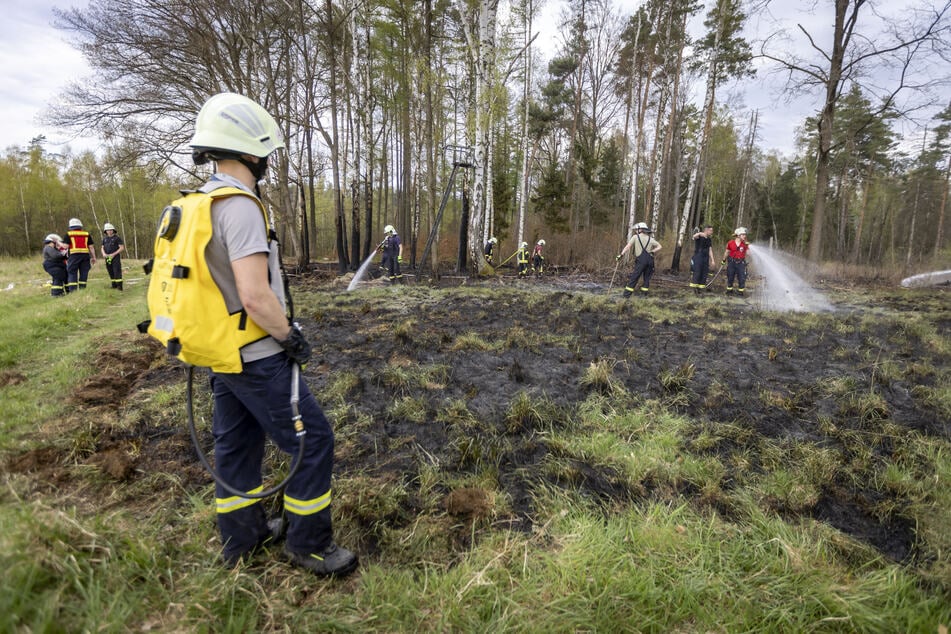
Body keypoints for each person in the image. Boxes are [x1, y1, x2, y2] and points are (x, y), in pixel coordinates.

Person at [187, 92, 357, 576]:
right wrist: (290, 336)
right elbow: (256, 295)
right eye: (266, 153)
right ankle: (310, 544)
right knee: (314, 440)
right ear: (250, 150)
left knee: (236, 446)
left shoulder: (200, 202)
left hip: (223, 353)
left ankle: (243, 539)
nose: (267, 161)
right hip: (257, 355)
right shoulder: (239, 206)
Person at [617, 222, 662, 298]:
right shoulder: (650, 239)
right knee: (646, 279)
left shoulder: (635, 237)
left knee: (634, 277)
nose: (635, 231)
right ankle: (644, 296)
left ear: (640, 229)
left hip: (641, 261)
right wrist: (652, 251)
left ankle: (626, 296)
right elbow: (660, 246)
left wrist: (621, 255)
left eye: (636, 229)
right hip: (650, 261)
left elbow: (628, 246)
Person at [65, 218, 96, 292]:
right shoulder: (86, 234)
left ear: (70, 227)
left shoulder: (69, 234)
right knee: (84, 273)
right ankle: (82, 290)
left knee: (72, 273)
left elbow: (65, 247)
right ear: (80, 226)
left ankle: (73, 291)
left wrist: (58, 243)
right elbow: (91, 247)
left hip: (74, 256)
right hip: (85, 256)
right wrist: (94, 257)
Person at [723, 227, 751, 296]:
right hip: (731, 262)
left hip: (741, 263)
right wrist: (723, 260)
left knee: (742, 278)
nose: (745, 236)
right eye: (743, 234)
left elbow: (748, 254)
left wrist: (748, 246)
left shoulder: (745, 244)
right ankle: (729, 291)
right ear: (738, 235)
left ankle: (740, 292)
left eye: (745, 235)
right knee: (730, 276)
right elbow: (726, 252)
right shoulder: (730, 243)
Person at [690, 225, 715, 294]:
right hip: (698, 256)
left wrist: (712, 260)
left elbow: (710, 249)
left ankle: (700, 289)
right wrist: (699, 233)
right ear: (706, 230)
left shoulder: (709, 239)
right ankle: (694, 289)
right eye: (711, 230)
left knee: (704, 273)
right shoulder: (699, 236)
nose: (712, 232)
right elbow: (693, 237)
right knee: (697, 272)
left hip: (706, 258)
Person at [100, 222, 125, 290]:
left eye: (111, 230)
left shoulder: (117, 238)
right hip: (107, 257)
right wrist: (104, 254)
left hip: (115, 257)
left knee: (116, 271)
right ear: (106, 231)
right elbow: (102, 247)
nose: (109, 231)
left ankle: (119, 286)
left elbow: (122, 247)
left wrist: (114, 254)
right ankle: (114, 285)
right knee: (110, 271)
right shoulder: (104, 239)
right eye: (108, 230)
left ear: (113, 230)